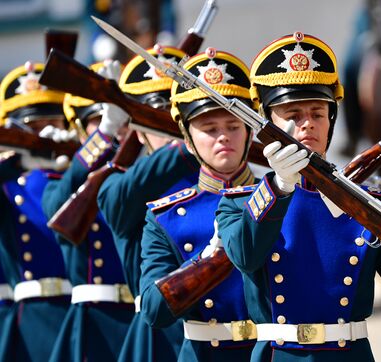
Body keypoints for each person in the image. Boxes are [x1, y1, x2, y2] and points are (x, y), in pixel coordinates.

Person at [215, 32, 381, 362]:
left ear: (331, 120)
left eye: (317, 113)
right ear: (267, 122)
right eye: (292, 115)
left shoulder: (370, 203)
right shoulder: (240, 202)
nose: (307, 125)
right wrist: (279, 187)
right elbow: (246, 256)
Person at [139, 48, 257, 361]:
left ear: (249, 132)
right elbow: (153, 309)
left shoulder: (281, 197)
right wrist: (206, 260)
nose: (223, 137)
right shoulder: (165, 217)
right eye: (209, 129)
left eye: (233, 126)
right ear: (188, 140)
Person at [97, 45, 200, 362]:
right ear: (138, 133)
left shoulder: (222, 177)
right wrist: (186, 146)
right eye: (159, 119)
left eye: (177, 115)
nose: (171, 127)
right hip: (159, 340)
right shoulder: (122, 187)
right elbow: (117, 200)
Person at [41, 59, 135, 361]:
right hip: (95, 319)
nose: (115, 126)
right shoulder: (64, 179)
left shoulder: (143, 174)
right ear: (82, 130)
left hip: (141, 318)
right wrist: (103, 136)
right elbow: (55, 210)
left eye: (121, 120)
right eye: (100, 119)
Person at [0, 61, 72, 361]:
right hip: (27, 317)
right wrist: (17, 161)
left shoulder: (77, 176)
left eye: (50, 125)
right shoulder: (7, 183)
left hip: (78, 311)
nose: (42, 136)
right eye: (30, 129)